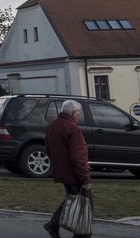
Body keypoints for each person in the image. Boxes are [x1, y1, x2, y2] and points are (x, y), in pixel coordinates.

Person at [44, 99, 92, 238]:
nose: (80, 115)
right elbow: (78, 157)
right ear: (73, 112)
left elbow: (48, 148)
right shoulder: (72, 128)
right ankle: (81, 233)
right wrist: (85, 179)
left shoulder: (53, 125)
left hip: (62, 171)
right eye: (79, 112)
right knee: (84, 204)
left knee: (71, 199)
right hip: (74, 173)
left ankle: (53, 224)